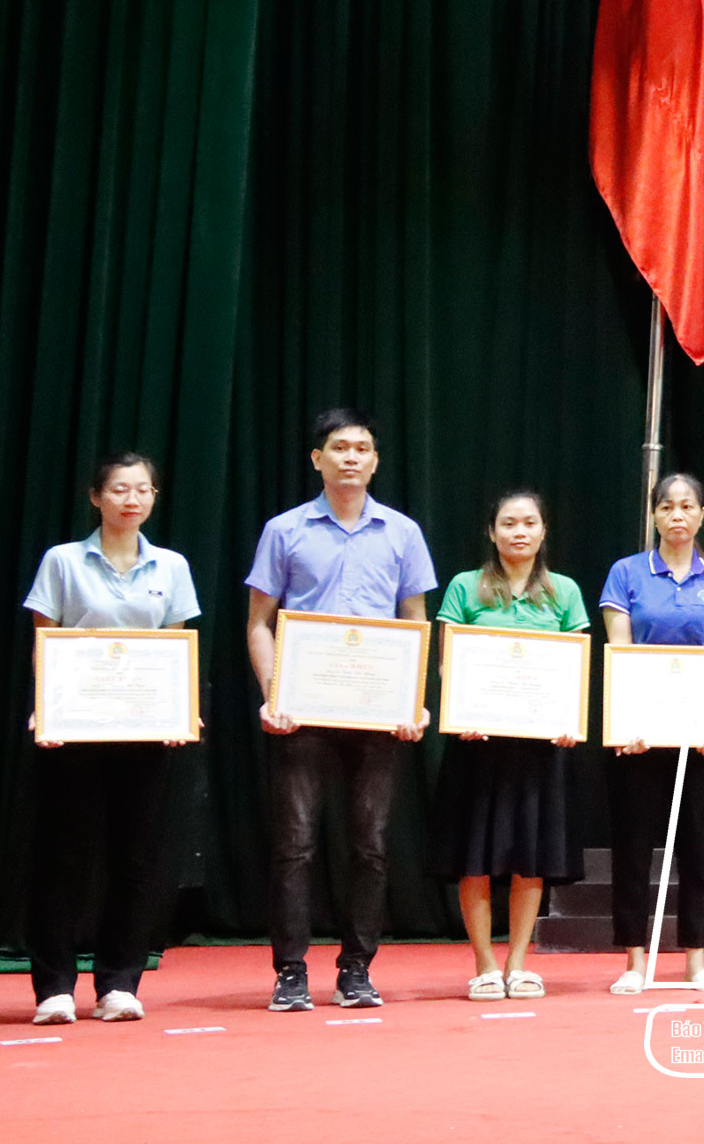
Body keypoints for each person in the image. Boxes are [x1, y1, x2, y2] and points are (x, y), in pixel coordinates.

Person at [245, 407, 437, 1013]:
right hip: (302, 711)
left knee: (370, 845)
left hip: (377, 714)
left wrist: (413, 701)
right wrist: (275, 694)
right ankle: (290, 972)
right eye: (339, 447)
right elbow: (258, 623)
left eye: (362, 449)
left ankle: (357, 969)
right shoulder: (284, 530)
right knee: (295, 845)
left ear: (375, 461)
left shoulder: (402, 532)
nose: (351, 457)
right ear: (317, 459)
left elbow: (415, 622)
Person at [24, 452, 200, 1025]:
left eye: (143, 489)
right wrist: (45, 709)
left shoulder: (171, 566)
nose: (132, 499)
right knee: (62, 856)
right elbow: (45, 640)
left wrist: (180, 711)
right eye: (120, 489)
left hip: (144, 731)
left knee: (136, 858)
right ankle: (54, 987)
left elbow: (175, 647)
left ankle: (119, 983)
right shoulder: (63, 560)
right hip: (73, 730)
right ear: (96, 496)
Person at [428, 491, 587, 1001]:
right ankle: (483, 964)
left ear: (543, 532)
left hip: (540, 748)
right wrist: (461, 710)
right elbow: (448, 661)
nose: (519, 532)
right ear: (491, 532)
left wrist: (568, 719)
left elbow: (575, 666)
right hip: (477, 745)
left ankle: (518, 963)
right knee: (474, 857)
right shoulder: (464, 586)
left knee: (530, 857)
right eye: (508, 523)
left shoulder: (564, 591)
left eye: (529, 523)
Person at [597, 472, 704, 994]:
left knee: (699, 850)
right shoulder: (626, 572)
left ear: (701, 515)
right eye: (667, 506)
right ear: (654, 514)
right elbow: (620, 653)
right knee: (633, 848)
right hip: (639, 734)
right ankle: (635, 961)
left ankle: (696, 961)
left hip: (699, 737)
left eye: (687, 506)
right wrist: (627, 723)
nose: (677, 515)